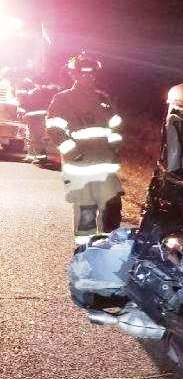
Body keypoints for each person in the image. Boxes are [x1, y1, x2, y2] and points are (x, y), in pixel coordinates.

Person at [46, 52, 123, 242]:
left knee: (113, 209)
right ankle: (84, 251)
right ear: (73, 74)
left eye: (91, 73)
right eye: (83, 72)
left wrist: (114, 148)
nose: (88, 76)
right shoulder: (62, 99)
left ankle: (109, 250)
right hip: (79, 169)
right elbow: (54, 128)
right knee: (86, 212)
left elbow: (115, 125)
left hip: (105, 167)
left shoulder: (103, 99)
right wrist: (74, 153)